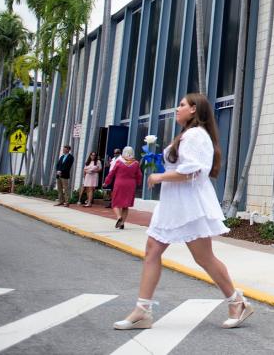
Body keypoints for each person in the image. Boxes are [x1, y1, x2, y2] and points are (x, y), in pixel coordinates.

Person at [114, 93, 252, 330]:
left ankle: (237, 301)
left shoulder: (196, 136)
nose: (177, 108)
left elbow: (193, 171)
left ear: (194, 110)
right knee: (153, 251)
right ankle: (142, 310)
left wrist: (159, 176)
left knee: (203, 257)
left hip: (188, 205)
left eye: (182, 105)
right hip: (174, 204)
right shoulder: (188, 135)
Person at [104, 146, 142, 229]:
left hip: (119, 183)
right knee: (126, 205)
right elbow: (139, 175)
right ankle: (122, 223)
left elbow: (112, 173)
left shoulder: (119, 162)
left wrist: (106, 182)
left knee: (115, 203)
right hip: (131, 185)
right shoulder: (136, 163)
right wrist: (139, 183)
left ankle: (119, 217)